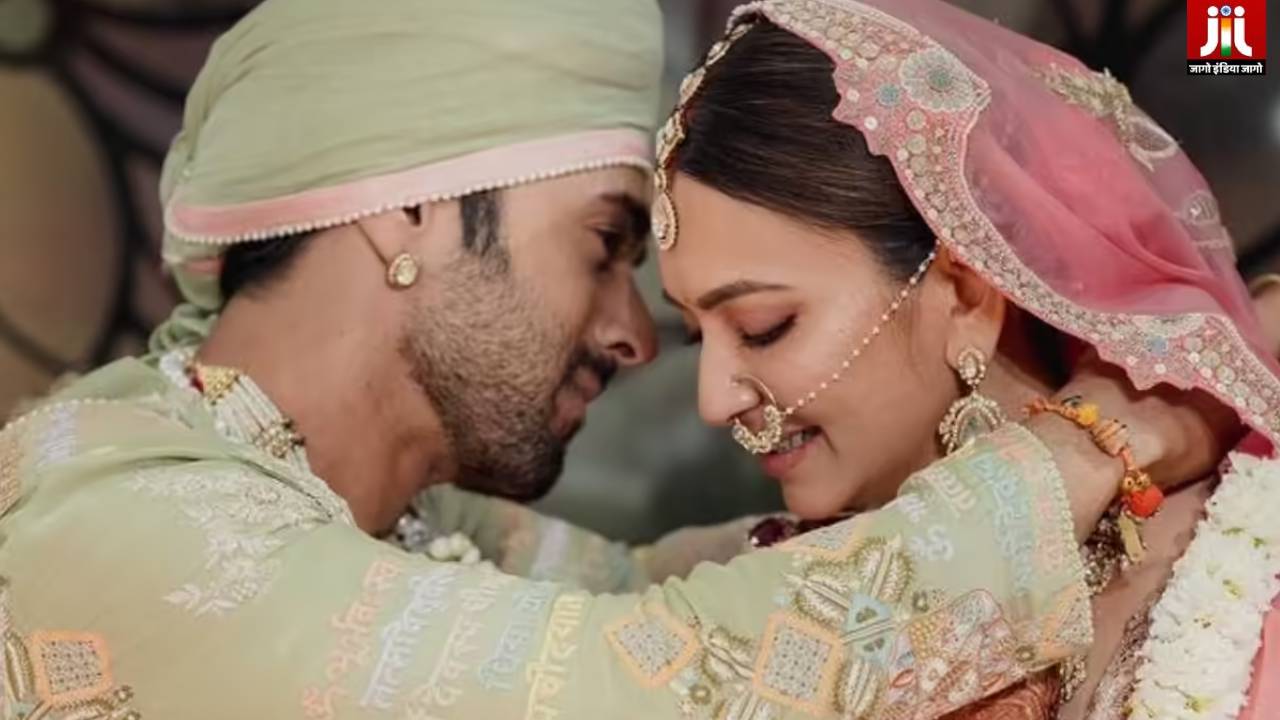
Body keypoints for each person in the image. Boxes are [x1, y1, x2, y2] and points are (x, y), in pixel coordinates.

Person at [0, 2, 1241, 720]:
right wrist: (1101, 434)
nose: (635, 338)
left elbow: (677, 587)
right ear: (408, 211)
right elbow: (636, 681)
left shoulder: (387, 523)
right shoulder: (120, 513)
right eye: (602, 245)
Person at [653, 0, 1280, 718]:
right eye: (696, 335)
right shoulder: (763, 601)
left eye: (764, 327)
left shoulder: (1247, 564)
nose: (712, 401)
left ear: (966, 292)